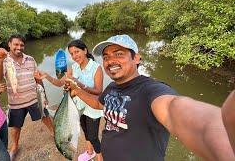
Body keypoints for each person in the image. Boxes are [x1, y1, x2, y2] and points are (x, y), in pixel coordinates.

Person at [65, 34, 235, 160]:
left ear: (136, 58)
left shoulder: (151, 90)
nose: (110, 61)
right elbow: (98, 104)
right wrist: (77, 90)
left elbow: (173, 110)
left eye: (119, 54)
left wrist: (220, 135)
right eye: (106, 56)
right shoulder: (112, 87)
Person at [35, 39, 104, 161]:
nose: (75, 56)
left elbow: (99, 91)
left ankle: (99, 157)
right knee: (85, 132)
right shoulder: (73, 67)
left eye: (77, 52)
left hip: (92, 108)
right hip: (77, 108)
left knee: (93, 137)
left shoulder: (96, 68)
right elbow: (59, 83)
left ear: (85, 50)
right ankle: (90, 152)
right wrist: (46, 76)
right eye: (71, 54)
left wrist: (78, 84)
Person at [0, 34, 53, 160]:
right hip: (16, 103)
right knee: (15, 126)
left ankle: (53, 133)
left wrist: (44, 96)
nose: (19, 47)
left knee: (45, 116)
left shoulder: (30, 59)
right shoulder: (4, 60)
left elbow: (38, 78)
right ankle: (15, 146)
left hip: (34, 98)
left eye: (21, 45)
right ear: (9, 44)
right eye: (15, 44)